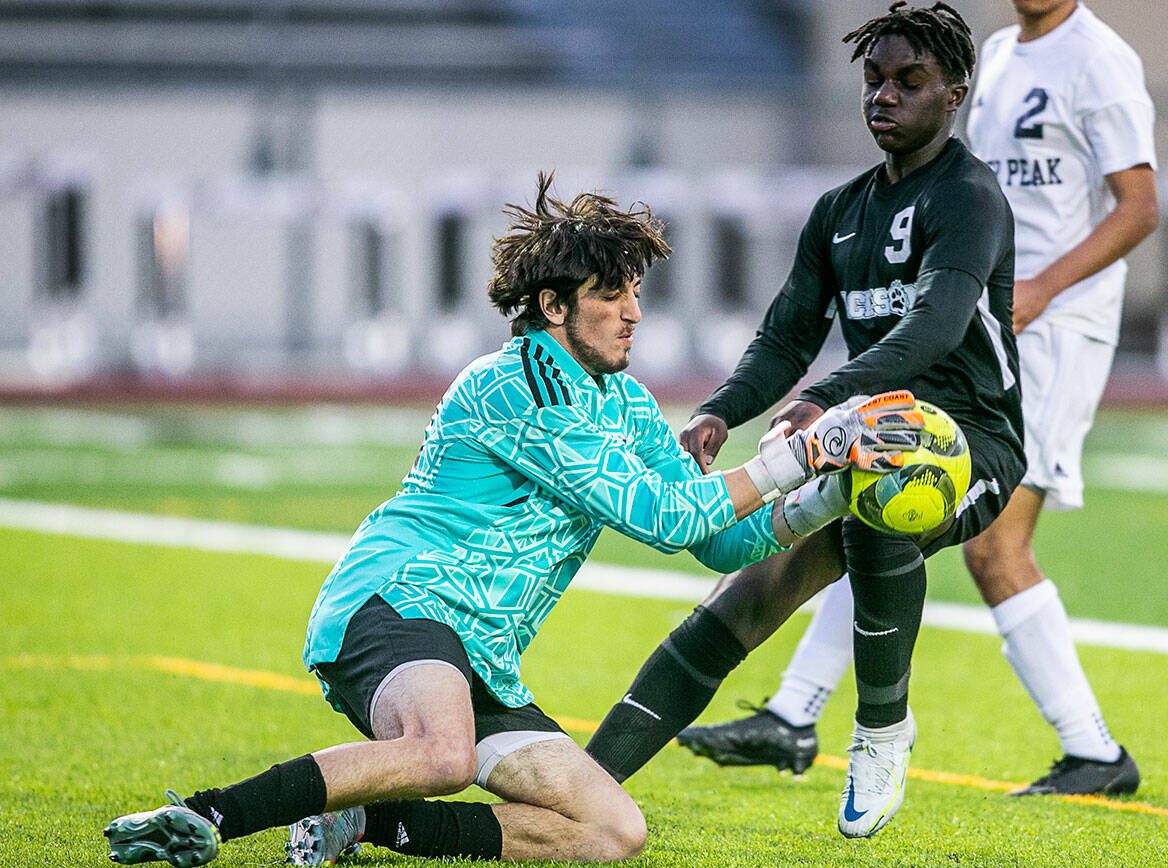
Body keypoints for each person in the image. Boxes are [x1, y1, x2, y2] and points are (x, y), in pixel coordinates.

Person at [102, 174, 917, 867]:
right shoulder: (515, 385)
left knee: (610, 830)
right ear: (553, 303)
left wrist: (833, 491)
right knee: (444, 756)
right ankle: (206, 816)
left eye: (637, 292)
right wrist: (805, 451)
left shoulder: (623, 402)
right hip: (397, 605)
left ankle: (366, 820)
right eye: (611, 294)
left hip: (481, 655)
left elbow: (716, 539)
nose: (633, 313)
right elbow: (666, 516)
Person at [675, 0, 1158, 799]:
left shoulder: (1098, 58)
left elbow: (1140, 205)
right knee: (882, 497)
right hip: (971, 313)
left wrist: (1039, 286)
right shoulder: (999, 54)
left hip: (1051, 324)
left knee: (990, 543)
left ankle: (1095, 751)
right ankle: (796, 711)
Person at [585, 2, 1028, 840]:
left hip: (974, 443)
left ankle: (883, 729)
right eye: (873, 80)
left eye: (908, 81)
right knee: (744, 598)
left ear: (954, 94)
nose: (884, 96)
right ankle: (584, 780)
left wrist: (824, 399)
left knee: (882, 478)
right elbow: (788, 335)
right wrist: (721, 411)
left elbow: (933, 324)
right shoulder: (839, 211)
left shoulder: (970, 197)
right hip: (870, 430)